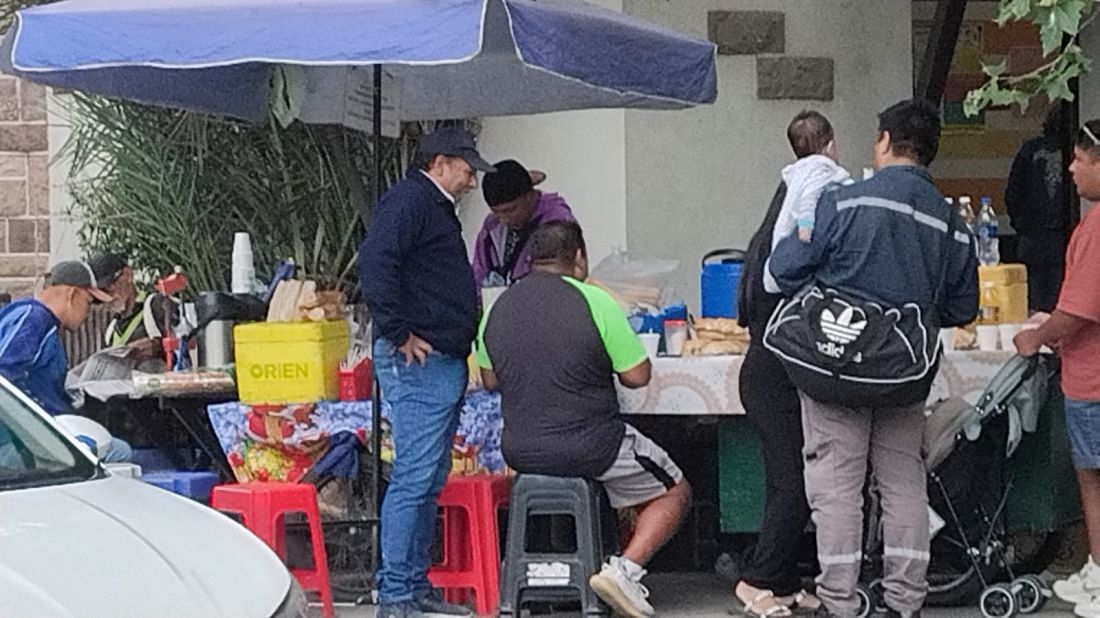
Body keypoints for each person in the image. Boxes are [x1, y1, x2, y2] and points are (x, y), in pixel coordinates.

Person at [770, 99, 979, 618]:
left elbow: (786, 268)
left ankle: (838, 602)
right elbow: (962, 307)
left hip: (834, 368)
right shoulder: (952, 225)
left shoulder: (843, 201)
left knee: (838, 486)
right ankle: (905, 602)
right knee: (902, 481)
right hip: (903, 376)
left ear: (884, 141)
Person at [476, 221, 691, 618]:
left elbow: (489, 378)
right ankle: (624, 571)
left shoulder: (498, 308)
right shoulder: (595, 300)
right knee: (675, 489)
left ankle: (559, 578)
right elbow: (638, 376)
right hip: (592, 446)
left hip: (521, 451)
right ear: (578, 258)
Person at [358, 126, 495, 618]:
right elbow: (374, 264)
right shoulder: (410, 202)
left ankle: (413, 585)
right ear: (440, 163)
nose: (471, 181)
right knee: (415, 477)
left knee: (428, 475)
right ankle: (396, 593)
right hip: (420, 360)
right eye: (466, 169)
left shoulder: (427, 204)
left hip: (438, 356)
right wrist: (398, 332)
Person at [1014, 119, 1100, 618]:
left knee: (1093, 478)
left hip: (1092, 378)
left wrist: (1038, 335)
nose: (1071, 169)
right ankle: (1094, 564)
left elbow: (1081, 309)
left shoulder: (1095, 229)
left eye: (1081, 160)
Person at [732, 179, 822, 617]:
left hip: (762, 377)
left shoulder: (762, 251)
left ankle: (784, 582)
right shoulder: (787, 262)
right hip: (776, 379)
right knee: (797, 485)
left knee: (783, 482)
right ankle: (756, 580)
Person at [0, 260, 132, 463]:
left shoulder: (36, 319)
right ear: (72, 294)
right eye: (88, 302)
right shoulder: (34, 319)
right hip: (22, 442)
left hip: (35, 433)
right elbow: (4, 375)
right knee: (118, 452)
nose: (89, 313)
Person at [763, 112, 851, 295]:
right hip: (804, 236)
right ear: (831, 146)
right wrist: (805, 225)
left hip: (781, 248)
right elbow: (810, 198)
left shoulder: (796, 175)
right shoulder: (822, 170)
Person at [471, 159, 575, 291]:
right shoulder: (492, 225)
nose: (503, 220)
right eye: (496, 212)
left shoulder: (558, 223)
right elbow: (479, 272)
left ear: (529, 197)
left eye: (509, 210)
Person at [1005, 105, 1069, 312]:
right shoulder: (1072, 151)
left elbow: (1013, 192)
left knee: (1034, 301)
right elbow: (1014, 192)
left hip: (1036, 235)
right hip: (1055, 234)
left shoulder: (1031, 149)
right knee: (1056, 299)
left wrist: (1021, 225)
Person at [88, 253, 168, 356]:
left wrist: (156, 346)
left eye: (108, 287)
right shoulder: (112, 331)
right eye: (99, 295)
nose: (106, 297)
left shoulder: (155, 304)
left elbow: (188, 342)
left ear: (127, 274)